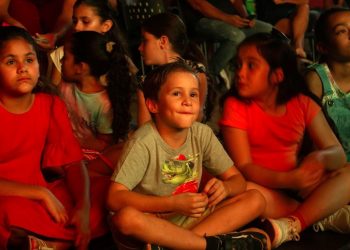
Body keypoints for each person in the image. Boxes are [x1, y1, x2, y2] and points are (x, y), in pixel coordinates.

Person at [107, 61, 271, 250]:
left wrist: (225, 188)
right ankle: (204, 245)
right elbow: (114, 198)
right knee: (126, 218)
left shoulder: (202, 133)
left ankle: (181, 245)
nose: (188, 101)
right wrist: (171, 203)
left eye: (193, 94)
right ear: (153, 105)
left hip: (188, 220)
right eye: (177, 93)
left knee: (255, 199)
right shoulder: (143, 142)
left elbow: (238, 180)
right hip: (152, 223)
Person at [219, 32, 350, 248]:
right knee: (247, 191)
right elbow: (244, 166)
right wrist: (288, 180)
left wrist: (320, 158)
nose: (240, 73)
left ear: (277, 76)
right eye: (238, 65)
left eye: (251, 66)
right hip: (263, 189)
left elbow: (337, 153)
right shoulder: (235, 105)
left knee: (347, 173)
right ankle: (321, 216)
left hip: (300, 189)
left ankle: (295, 223)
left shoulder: (302, 103)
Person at [0, 25, 91, 249]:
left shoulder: (50, 104)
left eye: (29, 60)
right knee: (7, 212)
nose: (22, 68)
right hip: (8, 198)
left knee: (101, 192)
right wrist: (39, 193)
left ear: (39, 65)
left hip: (42, 197)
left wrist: (84, 207)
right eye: (11, 62)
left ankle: (45, 244)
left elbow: (72, 162)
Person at [60, 30, 133, 174]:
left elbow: (105, 145)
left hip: (88, 154)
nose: (61, 61)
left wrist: (76, 142)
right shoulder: (65, 87)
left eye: (65, 58)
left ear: (80, 67)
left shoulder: (104, 104)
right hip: (65, 147)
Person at [137, 12, 208, 126]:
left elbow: (197, 117)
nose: (140, 48)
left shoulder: (195, 72)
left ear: (163, 41)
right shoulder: (145, 82)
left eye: (145, 41)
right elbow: (144, 133)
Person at [179, 0, 272, 81]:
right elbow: (198, 4)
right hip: (203, 19)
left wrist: (246, 17)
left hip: (231, 18)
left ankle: (259, 75)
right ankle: (207, 77)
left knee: (270, 31)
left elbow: (235, 1)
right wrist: (227, 18)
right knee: (236, 37)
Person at [49, 0, 135, 86]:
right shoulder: (63, 53)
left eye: (86, 21)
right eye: (75, 21)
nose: (77, 27)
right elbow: (53, 95)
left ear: (106, 26)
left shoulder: (117, 56)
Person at [305, 7, 350, 162]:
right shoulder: (316, 79)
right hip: (335, 167)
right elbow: (312, 141)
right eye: (341, 31)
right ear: (322, 47)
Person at [0, 0, 76, 49]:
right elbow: (2, 11)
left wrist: (56, 34)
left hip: (55, 14)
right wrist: (16, 26)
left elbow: (68, 15)